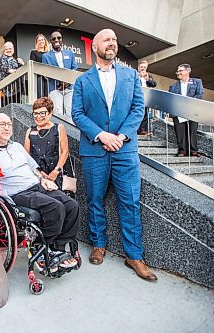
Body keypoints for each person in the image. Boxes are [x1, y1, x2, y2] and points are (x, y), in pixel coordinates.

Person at [71, 28, 157, 282]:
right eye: (107, 40)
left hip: (125, 149)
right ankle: (99, 244)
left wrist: (121, 136)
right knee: (95, 199)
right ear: (94, 47)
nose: (112, 43)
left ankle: (134, 255)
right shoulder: (82, 81)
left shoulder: (131, 75)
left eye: (115, 40)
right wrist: (101, 135)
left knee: (129, 201)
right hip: (95, 150)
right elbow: (77, 114)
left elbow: (138, 108)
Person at [0, 113, 80, 270]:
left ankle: (58, 248)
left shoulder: (17, 147)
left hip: (37, 185)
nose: (7, 127)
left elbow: (33, 167)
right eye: (1, 124)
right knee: (55, 207)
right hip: (17, 194)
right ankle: (39, 247)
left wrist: (44, 179)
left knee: (72, 205)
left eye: (9, 124)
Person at [24, 97, 75, 197]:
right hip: (38, 174)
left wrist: (56, 171)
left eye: (42, 113)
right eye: (35, 113)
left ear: (50, 113)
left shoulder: (59, 128)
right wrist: (39, 173)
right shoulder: (30, 131)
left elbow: (65, 151)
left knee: (63, 201)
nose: (38, 116)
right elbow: (26, 155)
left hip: (57, 171)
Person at [169, 64, 204, 157]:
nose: (178, 73)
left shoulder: (197, 82)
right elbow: (171, 99)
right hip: (178, 111)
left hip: (192, 110)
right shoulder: (173, 86)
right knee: (180, 132)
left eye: (180, 71)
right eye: (177, 71)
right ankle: (182, 151)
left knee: (192, 131)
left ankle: (193, 151)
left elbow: (199, 94)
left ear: (188, 71)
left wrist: (187, 103)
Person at [42, 30, 78, 117]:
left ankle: (70, 131)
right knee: (58, 113)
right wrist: (59, 82)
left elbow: (74, 68)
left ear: (62, 40)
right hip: (54, 87)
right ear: (51, 41)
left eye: (59, 38)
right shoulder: (46, 56)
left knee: (70, 112)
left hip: (69, 87)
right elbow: (47, 72)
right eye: (54, 39)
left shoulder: (70, 53)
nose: (56, 40)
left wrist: (67, 81)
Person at [0, 41, 24, 106]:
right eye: (7, 49)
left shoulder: (15, 60)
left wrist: (21, 63)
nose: (9, 50)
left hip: (16, 87)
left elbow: (20, 70)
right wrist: (9, 70)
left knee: (17, 105)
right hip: (7, 86)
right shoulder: (3, 58)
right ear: (4, 50)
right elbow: (3, 66)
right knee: (6, 105)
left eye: (10, 48)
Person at [137, 60, 157, 135]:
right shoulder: (135, 74)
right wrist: (139, 77)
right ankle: (136, 129)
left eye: (144, 67)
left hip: (146, 98)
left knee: (145, 114)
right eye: (141, 67)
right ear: (138, 67)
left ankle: (143, 129)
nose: (143, 69)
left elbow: (154, 84)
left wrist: (147, 79)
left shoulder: (149, 76)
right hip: (136, 97)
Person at [29, 33, 49, 98]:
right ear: (37, 42)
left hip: (48, 77)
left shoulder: (49, 53)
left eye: (42, 40)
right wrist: (43, 73)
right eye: (39, 40)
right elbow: (33, 65)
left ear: (45, 41)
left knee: (48, 96)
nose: (41, 42)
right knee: (40, 96)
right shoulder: (34, 52)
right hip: (39, 77)